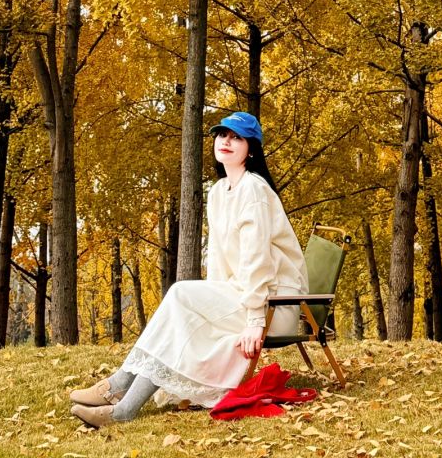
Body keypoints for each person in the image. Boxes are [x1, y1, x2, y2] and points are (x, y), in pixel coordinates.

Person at [69, 111, 308, 425]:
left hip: (276, 305)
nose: (226, 141)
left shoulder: (255, 191)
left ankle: (120, 395)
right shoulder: (219, 192)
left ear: (251, 149)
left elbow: (258, 260)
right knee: (181, 313)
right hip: (242, 295)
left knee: (180, 294)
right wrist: (212, 303)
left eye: (237, 137)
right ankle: (120, 396)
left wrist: (253, 321)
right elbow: (222, 259)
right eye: (222, 134)